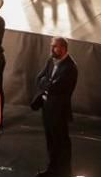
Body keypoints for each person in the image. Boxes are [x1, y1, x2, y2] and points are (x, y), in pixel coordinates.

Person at [33, 37, 78, 177]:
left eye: (55, 47)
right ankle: (52, 169)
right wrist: (48, 83)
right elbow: (38, 79)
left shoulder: (70, 67)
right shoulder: (50, 61)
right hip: (47, 108)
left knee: (61, 142)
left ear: (63, 48)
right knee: (51, 140)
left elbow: (54, 88)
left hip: (59, 110)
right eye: (51, 46)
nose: (51, 49)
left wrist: (47, 83)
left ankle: (64, 172)